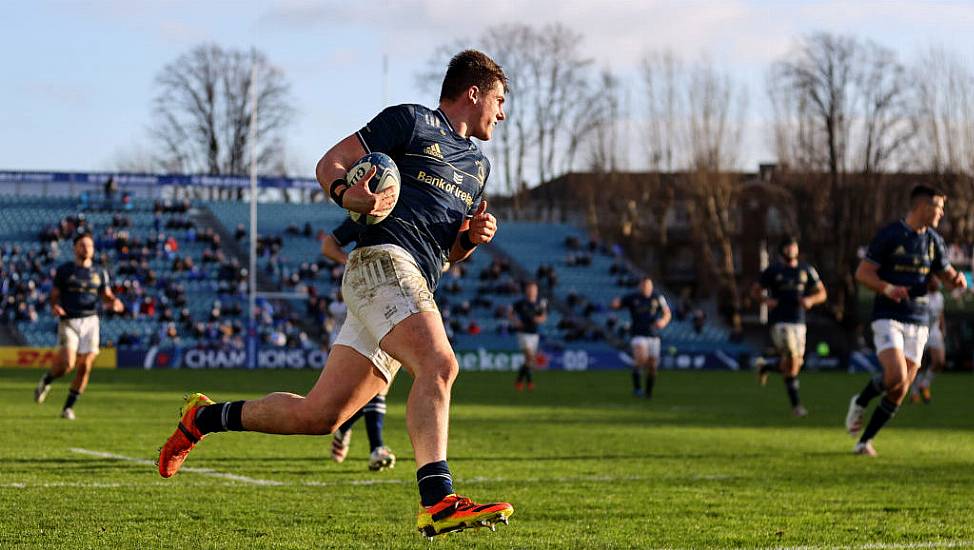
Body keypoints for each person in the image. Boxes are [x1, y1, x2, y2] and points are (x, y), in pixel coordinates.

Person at [157, 50, 513, 538]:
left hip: (414, 278)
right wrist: (349, 194)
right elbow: (332, 162)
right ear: (474, 92)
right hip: (383, 263)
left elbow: (448, 254)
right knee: (440, 364)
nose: (502, 112)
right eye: (498, 99)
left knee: (320, 416)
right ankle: (437, 499)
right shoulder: (411, 122)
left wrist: (470, 237)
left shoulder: (478, 166)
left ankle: (203, 417)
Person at [846, 185, 967, 456]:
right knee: (896, 375)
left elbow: (946, 272)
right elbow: (863, 273)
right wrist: (888, 288)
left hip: (919, 320)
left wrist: (956, 278)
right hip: (889, 316)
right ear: (923, 207)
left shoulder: (934, 241)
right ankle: (861, 401)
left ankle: (864, 441)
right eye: (938, 207)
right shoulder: (891, 235)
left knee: (900, 389)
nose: (942, 213)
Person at [321, 217, 397, 472]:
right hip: (359, 326)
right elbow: (329, 245)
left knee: (377, 390)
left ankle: (374, 446)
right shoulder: (369, 214)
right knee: (337, 404)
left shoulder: (416, 212)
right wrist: (350, 263)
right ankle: (348, 430)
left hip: (395, 314)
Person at [34, 233, 124, 419]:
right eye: (83, 245)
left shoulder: (99, 272)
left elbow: (106, 294)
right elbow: (54, 295)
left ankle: (67, 408)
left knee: (85, 366)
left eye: (90, 245)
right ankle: (47, 379)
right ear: (75, 248)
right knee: (67, 364)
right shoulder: (65, 270)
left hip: (91, 321)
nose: (87, 249)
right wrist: (55, 306)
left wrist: (114, 301)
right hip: (69, 321)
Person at [752, 236, 827, 417]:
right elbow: (755, 290)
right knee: (792, 358)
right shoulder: (773, 270)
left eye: (794, 246)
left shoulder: (806, 269)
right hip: (780, 322)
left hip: (799, 323)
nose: (792, 250)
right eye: (788, 247)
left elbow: (822, 293)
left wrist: (811, 299)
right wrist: (765, 300)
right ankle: (797, 407)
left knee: (795, 365)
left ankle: (767, 367)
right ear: (782, 250)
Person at [611, 276, 671, 398]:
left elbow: (667, 313)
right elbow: (617, 304)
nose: (646, 288)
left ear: (652, 286)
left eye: (648, 285)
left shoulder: (658, 298)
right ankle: (637, 389)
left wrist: (663, 321)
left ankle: (648, 393)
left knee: (653, 366)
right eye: (644, 285)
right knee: (641, 358)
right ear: (640, 286)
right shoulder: (633, 297)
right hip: (638, 334)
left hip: (653, 335)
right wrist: (615, 304)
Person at [911, 278, 946, 404]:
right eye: (935, 280)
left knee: (939, 361)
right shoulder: (922, 295)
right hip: (920, 331)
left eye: (938, 280)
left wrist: (943, 329)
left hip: (934, 331)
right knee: (919, 364)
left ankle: (924, 384)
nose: (938, 283)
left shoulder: (940, 297)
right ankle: (914, 393)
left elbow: (940, 314)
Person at [509, 280, 547, 391]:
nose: (532, 291)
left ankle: (520, 381)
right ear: (526, 290)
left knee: (528, 361)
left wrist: (538, 319)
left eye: (534, 289)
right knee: (530, 357)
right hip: (523, 333)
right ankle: (529, 382)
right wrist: (516, 321)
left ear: (537, 291)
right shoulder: (521, 303)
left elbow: (543, 316)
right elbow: (510, 312)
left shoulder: (540, 303)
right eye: (530, 288)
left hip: (534, 334)